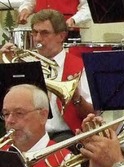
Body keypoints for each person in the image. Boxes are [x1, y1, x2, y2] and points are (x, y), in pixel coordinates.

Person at [1, 9, 95, 142]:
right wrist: (4, 65)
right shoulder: (24, 63)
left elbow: (92, 113)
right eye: (35, 33)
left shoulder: (79, 66)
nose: (38, 38)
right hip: (26, 134)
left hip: (64, 135)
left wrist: (77, 98)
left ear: (61, 36)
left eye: (45, 33)